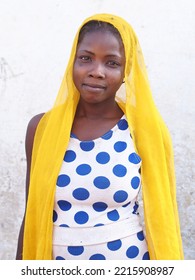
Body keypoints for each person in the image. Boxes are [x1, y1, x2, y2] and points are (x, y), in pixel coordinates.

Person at [16, 13, 183, 260]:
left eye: (112, 63)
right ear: (72, 62)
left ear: (127, 71)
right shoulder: (41, 128)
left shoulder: (145, 130)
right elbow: (32, 213)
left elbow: (164, 216)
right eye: (85, 58)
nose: (97, 72)